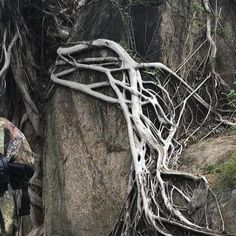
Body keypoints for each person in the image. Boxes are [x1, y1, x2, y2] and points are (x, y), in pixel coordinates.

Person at [0, 117, 34, 234]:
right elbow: (28, 164)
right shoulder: (5, 125)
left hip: (5, 209)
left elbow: (28, 168)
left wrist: (5, 168)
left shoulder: (5, 127)